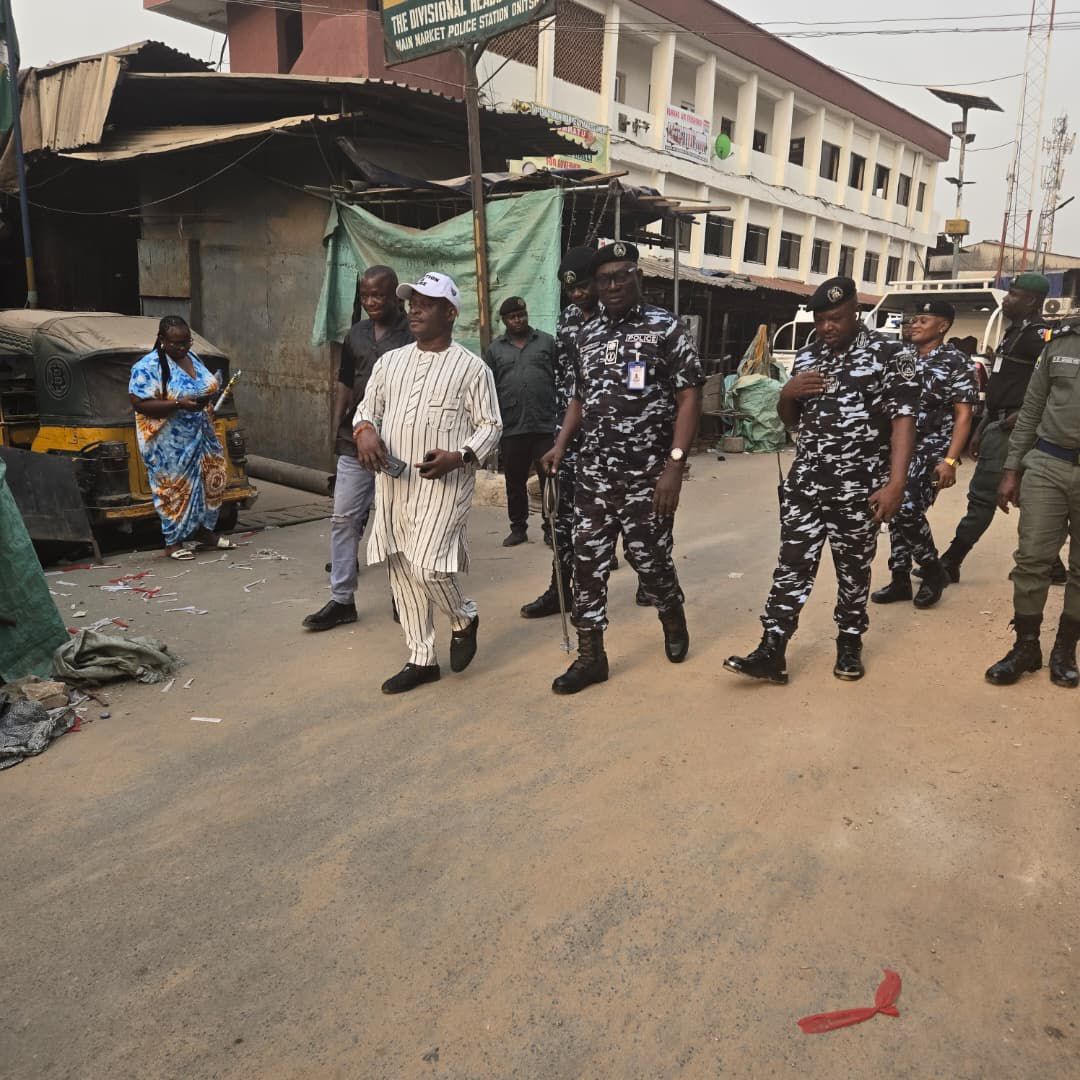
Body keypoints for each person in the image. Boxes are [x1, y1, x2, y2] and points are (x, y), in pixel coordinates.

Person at [724, 277, 918, 684]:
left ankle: (849, 643)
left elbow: (903, 421)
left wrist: (896, 484)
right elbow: (791, 420)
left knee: (852, 569)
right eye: (820, 320)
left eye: (835, 319)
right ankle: (772, 649)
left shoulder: (889, 354)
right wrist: (787, 393)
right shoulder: (809, 353)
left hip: (859, 488)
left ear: (855, 313)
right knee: (791, 566)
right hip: (807, 484)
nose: (827, 327)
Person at [543, 241, 704, 695]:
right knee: (588, 565)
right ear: (594, 286)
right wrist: (560, 445)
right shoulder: (587, 334)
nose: (612, 285)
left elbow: (689, 396)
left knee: (649, 562)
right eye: (604, 279)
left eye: (621, 275)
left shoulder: (664, 329)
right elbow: (578, 397)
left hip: (647, 475)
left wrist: (674, 465)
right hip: (594, 473)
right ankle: (591, 656)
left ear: (638, 277)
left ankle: (671, 613)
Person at [353, 272, 502, 694]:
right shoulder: (391, 362)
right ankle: (421, 658)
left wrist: (461, 455)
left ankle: (464, 616)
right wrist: (364, 430)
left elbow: (491, 425)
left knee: (428, 566)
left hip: (445, 484)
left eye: (426, 302)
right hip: (394, 482)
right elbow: (367, 409)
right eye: (412, 301)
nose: (414, 309)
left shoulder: (471, 368)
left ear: (450, 312)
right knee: (401, 567)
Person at [303, 266, 412, 631]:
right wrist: (336, 428)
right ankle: (342, 599)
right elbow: (344, 384)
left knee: (397, 520)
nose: (371, 303)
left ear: (395, 294)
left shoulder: (412, 334)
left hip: (397, 442)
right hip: (354, 440)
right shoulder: (356, 334)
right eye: (365, 296)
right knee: (344, 518)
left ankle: (403, 593)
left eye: (378, 295)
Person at [935, 274, 1060, 583]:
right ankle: (1054, 566)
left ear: (1030, 301)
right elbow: (1002, 383)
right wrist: (982, 426)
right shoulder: (1014, 332)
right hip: (997, 422)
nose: (1006, 299)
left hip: (1012, 429)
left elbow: (1059, 382)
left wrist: (1028, 413)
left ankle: (951, 560)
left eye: (1013, 295)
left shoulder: (1039, 336)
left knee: (983, 495)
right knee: (1028, 496)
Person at [986, 315, 1080, 688]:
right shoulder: (1060, 343)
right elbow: (1031, 408)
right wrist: (1012, 469)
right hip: (1048, 463)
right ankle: (1026, 646)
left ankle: (1065, 649)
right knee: (1032, 560)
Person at [871, 301, 977, 610]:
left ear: (942, 326)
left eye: (922, 320)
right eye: (912, 319)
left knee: (906, 508)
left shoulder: (956, 362)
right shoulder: (900, 357)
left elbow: (963, 415)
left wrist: (950, 461)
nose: (913, 324)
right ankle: (900, 578)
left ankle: (932, 570)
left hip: (932, 449)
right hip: (896, 447)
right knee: (891, 507)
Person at [520, 246, 598, 619]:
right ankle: (560, 589)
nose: (577, 295)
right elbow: (564, 375)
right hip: (567, 431)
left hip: (608, 437)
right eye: (571, 290)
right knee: (561, 516)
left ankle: (652, 581)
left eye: (583, 286)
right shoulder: (568, 318)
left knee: (624, 518)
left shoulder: (617, 317)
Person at [128, 316, 237, 560]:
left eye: (186, 342)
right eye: (175, 344)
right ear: (162, 341)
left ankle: (204, 531)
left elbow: (203, 388)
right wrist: (177, 404)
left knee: (213, 477)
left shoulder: (193, 358)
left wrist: (218, 395)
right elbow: (139, 403)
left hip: (202, 433)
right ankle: (173, 541)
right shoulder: (148, 366)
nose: (182, 348)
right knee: (174, 489)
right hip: (170, 442)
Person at [483, 296, 557, 547]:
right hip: (512, 426)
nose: (518, 320)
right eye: (513, 317)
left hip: (545, 423)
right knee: (514, 481)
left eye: (521, 315)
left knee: (550, 479)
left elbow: (559, 376)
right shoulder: (495, 350)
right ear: (504, 321)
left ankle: (551, 527)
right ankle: (518, 528)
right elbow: (488, 388)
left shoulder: (546, 342)